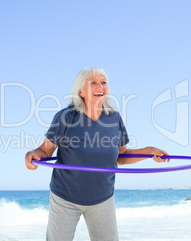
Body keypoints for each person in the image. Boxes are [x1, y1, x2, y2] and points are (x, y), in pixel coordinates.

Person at [25, 67, 169, 241]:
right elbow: (45, 150)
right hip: (66, 197)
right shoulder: (66, 117)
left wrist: (148, 152)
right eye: (93, 83)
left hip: (102, 198)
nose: (100, 86)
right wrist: (32, 155)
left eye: (103, 82)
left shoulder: (114, 118)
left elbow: (120, 157)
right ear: (80, 91)